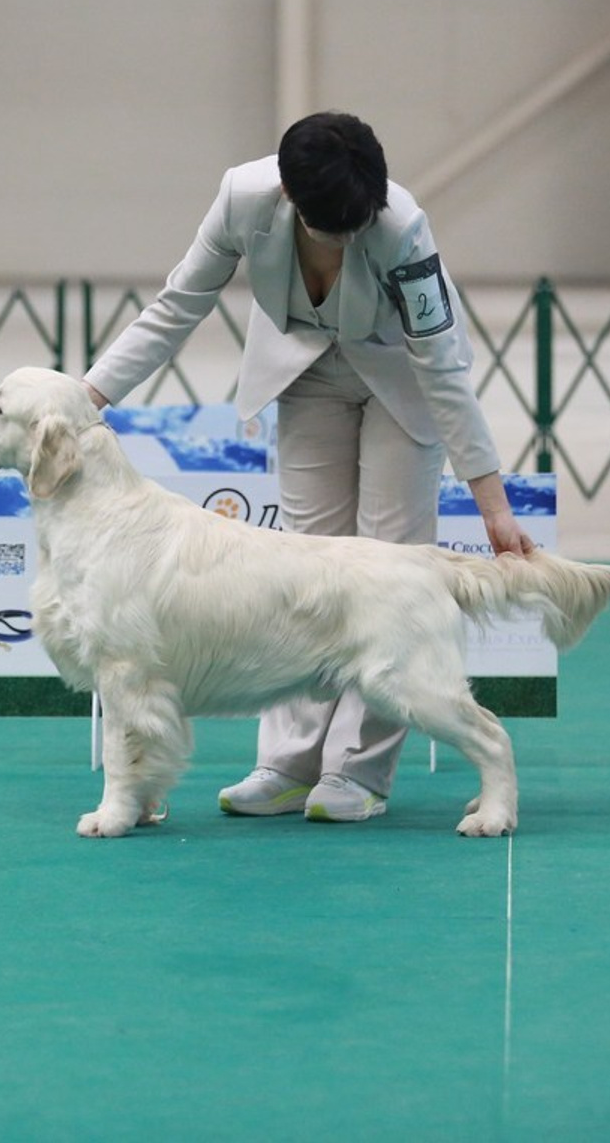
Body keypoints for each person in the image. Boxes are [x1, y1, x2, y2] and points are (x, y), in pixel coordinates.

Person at [82, 110, 534, 823]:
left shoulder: (402, 229)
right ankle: (288, 763)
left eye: (359, 225)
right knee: (295, 570)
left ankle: (359, 771)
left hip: (403, 380)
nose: (349, 240)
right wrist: (85, 398)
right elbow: (175, 309)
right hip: (305, 373)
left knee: (387, 569)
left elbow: (443, 369)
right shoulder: (242, 198)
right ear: (289, 195)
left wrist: (494, 507)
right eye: (333, 228)